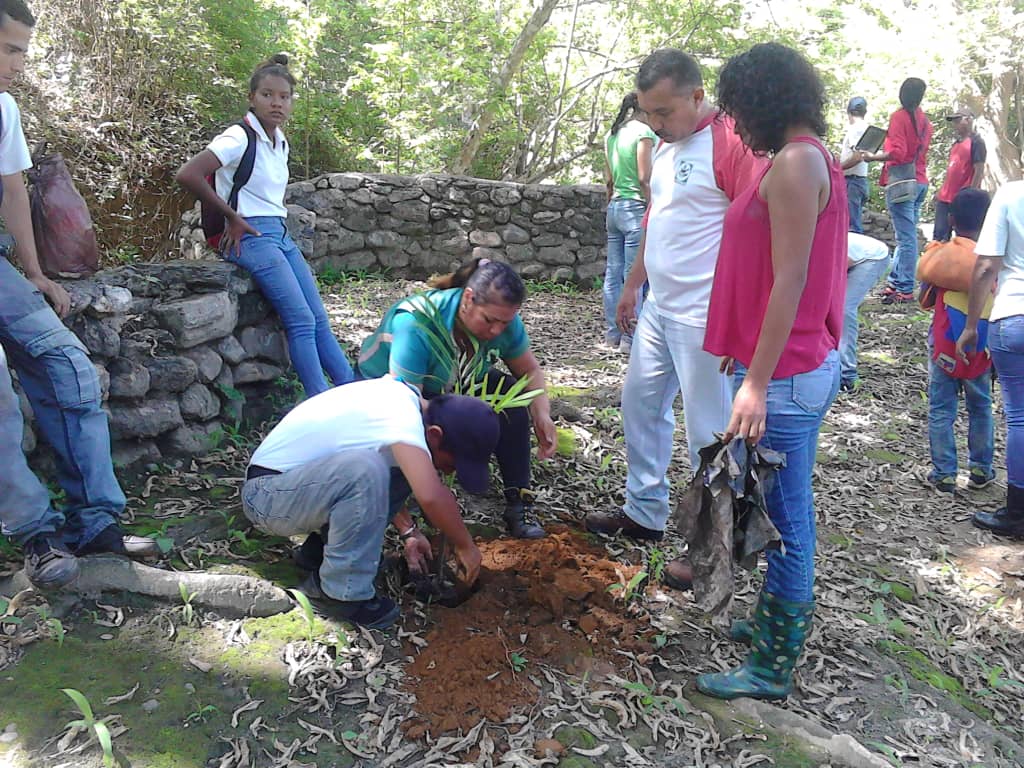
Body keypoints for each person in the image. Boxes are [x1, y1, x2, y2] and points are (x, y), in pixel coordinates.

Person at [583, 48, 765, 588]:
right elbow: (658, 220)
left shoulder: (730, 144)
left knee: (710, 432)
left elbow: (757, 230)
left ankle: (711, 548)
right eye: (648, 113)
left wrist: (740, 318)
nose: (655, 123)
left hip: (705, 315)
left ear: (697, 96)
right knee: (640, 406)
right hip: (660, 307)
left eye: (663, 111)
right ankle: (644, 511)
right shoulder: (664, 146)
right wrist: (633, 285)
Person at [698, 43, 847, 700]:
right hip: (789, 366)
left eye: (736, 108)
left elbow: (791, 281)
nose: (734, 122)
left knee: (786, 523)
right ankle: (768, 628)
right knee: (777, 508)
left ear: (760, 99)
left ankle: (771, 667)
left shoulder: (795, 162)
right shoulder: (808, 156)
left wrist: (756, 383)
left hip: (785, 378)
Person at [0, 1, 158, 589]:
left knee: (69, 367)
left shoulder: (4, 108)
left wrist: (36, 272)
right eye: (9, 49)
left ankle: (95, 522)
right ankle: (35, 535)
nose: (18, 64)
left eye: (22, 51)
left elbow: (13, 191)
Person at [242, 376, 498, 629]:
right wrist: (465, 546)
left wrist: (409, 533)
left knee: (396, 471)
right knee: (366, 469)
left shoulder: (405, 409)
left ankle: (319, 554)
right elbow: (431, 496)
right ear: (435, 435)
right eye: (453, 463)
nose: (451, 472)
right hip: (267, 496)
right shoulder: (400, 414)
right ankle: (339, 595)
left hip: (299, 491)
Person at [176, 54, 354, 397]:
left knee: (319, 318)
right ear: (252, 98)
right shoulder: (238, 136)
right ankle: (320, 400)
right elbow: (188, 174)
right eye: (267, 95)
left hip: (279, 233)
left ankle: (351, 389)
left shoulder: (279, 141)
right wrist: (232, 216)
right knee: (301, 320)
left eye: (284, 97)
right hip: (249, 236)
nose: (277, 103)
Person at [358, 259, 557, 539]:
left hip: (453, 382)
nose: (497, 331)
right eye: (489, 321)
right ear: (468, 299)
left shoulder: (503, 319)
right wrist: (412, 526)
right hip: (391, 391)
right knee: (417, 441)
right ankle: (409, 503)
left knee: (509, 396)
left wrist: (542, 413)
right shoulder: (417, 323)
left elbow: (530, 371)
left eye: (505, 323)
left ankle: (519, 500)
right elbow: (403, 411)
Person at [957, 179, 1024, 538]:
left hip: (1015, 313)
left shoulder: (1011, 194)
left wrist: (971, 326)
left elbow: (986, 266)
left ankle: (1018, 512)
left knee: (1020, 418)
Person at [921, 188, 994, 494]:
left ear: (951, 219)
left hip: (944, 343)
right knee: (981, 406)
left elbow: (923, 288)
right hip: (982, 345)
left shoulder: (941, 256)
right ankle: (980, 469)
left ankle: (944, 474)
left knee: (941, 408)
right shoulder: (995, 260)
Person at [866, 78, 933, 305]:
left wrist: (872, 157)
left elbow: (898, 152)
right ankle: (895, 282)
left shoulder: (899, 117)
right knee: (905, 235)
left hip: (902, 183)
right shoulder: (924, 121)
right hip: (920, 181)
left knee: (906, 238)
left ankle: (904, 287)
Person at [603, 92, 656, 353]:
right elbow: (645, 177)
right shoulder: (644, 133)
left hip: (615, 207)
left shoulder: (612, 135)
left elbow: (609, 179)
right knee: (632, 276)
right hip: (635, 207)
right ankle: (630, 339)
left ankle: (612, 334)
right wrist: (653, 205)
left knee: (613, 274)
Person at [840, 233, 890, 391]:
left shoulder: (818, 244)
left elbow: (838, 267)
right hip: (853, 256)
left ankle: (847, 373)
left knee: (844, 309)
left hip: (871, 257)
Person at [932, 107, 986, 242]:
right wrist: (940, 191)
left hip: (962, 198)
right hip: (945, 198)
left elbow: (979, 170)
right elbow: (952, 170)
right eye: (954, 121)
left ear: (968, 120)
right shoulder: (956, 144)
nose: (955, 125)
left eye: (958, 120)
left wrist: (971, 194)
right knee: (939, 238)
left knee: (964, 238)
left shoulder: (976, 142)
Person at [839, 96, 870, 234]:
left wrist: (837, 168)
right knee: (854, 222)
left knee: (852, 227)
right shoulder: (866, 127)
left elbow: (858, 156)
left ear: (849, 112)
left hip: (852, 181)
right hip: (860, 181)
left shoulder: (855, 128)